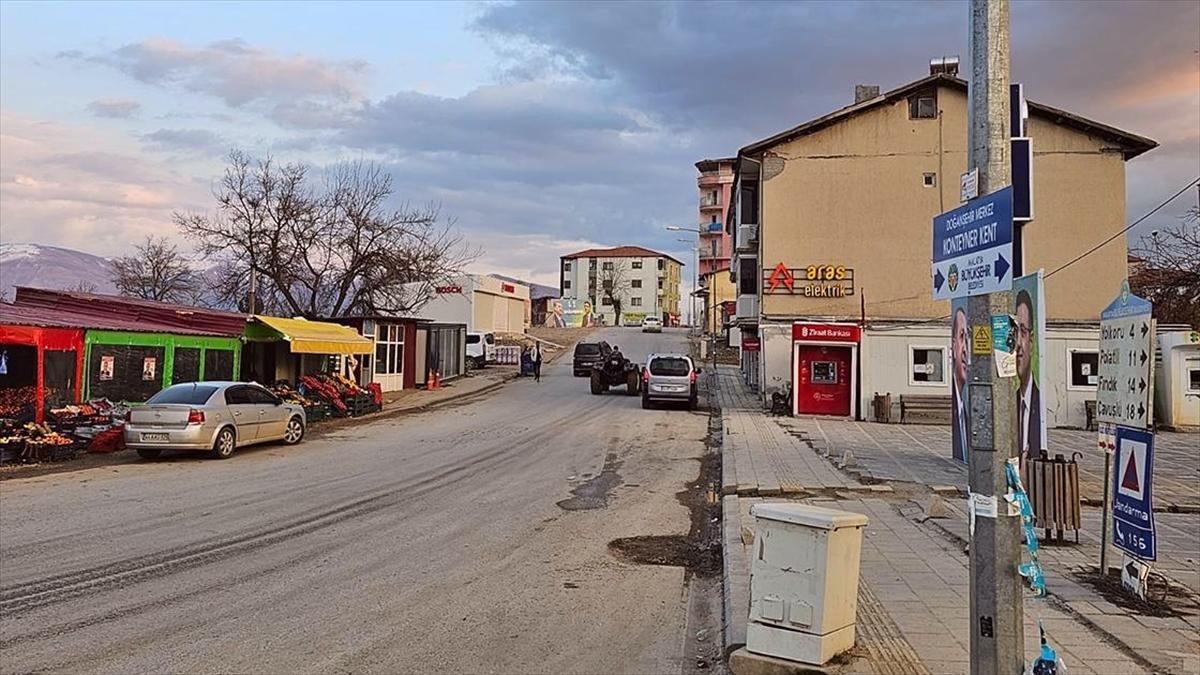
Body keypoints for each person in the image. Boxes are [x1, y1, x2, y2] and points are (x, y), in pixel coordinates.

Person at [1016, 289, 1042, 458]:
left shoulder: (1040, 402)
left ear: (1031, 341)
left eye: (1023, 332)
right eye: (1013, 332)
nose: (1017, 343)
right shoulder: (1012, 403)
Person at [951, 306, 970, 464]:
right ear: (953, 344)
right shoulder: (961, 409)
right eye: (962, 337)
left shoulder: (967, 411)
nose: (966, 350)